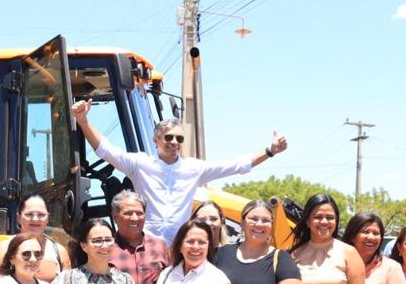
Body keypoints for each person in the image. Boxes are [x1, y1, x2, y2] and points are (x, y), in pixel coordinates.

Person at [73, 101, 288, 244]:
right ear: (156, 140)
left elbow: (236, 165)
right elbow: (106, 150)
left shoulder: (193, 168)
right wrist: (83, 120)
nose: (174, 142)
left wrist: (269, 151)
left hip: (181, 246)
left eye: (179, 138)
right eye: (168, 137)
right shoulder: (139, 164)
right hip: (147, 245)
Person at [0, 194, 71, 282]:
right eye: (29, 214)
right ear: (19, 218)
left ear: (48, 218)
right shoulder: (3, 248)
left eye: (41, 215)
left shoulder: (60, 252)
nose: (35, 219)